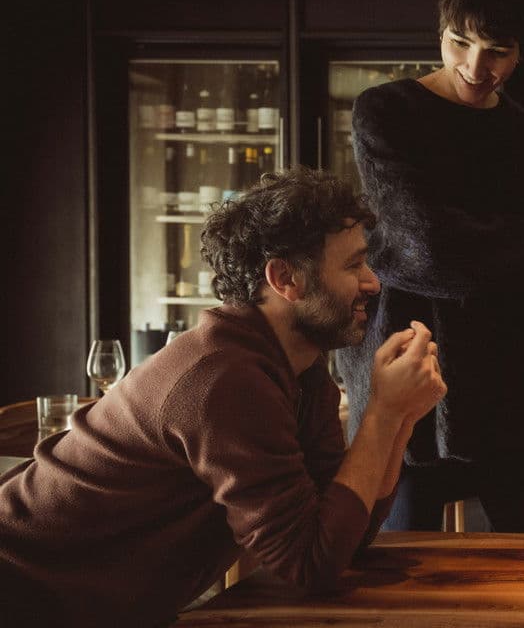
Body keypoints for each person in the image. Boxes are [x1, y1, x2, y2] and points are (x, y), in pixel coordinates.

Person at [0, 168, 446, 627]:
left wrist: (400, 418)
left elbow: (344, 537)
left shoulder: (302, 372)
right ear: (285, 278)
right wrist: (382, 413)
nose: (373, 282)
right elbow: (309, 564)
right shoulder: (226, 378)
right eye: (353, 266)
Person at [334, 0, 524, 533]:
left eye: (497, 51)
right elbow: (427, 247)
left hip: (505, 385)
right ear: (440, 33)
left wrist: (447, 247)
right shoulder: (386, 111)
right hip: (407, 364)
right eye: (459, 42)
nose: (475, 65)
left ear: (521, 51)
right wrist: (513, 248)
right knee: (393, 559)